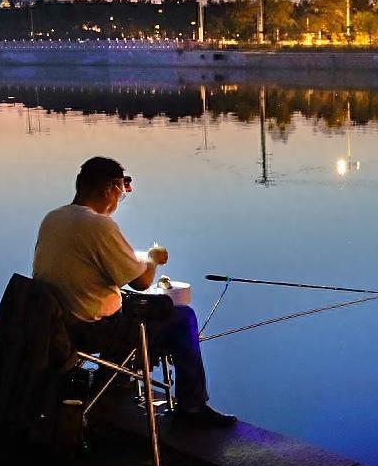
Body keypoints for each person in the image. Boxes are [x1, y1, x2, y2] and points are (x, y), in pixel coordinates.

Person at [32, 156, 235, 427]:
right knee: (182, 318)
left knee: (127, 308)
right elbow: (140, 282)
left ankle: (118, 381)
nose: (119, 200)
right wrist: (152, 259)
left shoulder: (53, 218)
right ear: (110, 189)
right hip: (89, 330)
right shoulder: (98, 225)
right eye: (120, 192)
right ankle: (193, 407)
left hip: (55, 324)